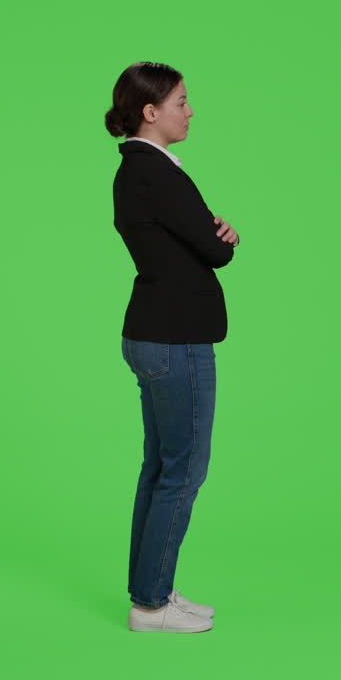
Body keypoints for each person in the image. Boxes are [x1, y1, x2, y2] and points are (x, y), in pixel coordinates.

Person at [106, 62, 240, 633]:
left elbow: (196, 241)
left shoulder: (133, 171)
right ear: (150, 111)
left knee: (161, 467)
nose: (190, 111)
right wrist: (224, 236)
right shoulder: (158, 173)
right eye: (181, 102)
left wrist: (212, 235)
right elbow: (216, 250)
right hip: (175, 339)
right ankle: (152, 605)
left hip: (151, 334)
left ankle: (150, 590)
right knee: (182, 471)